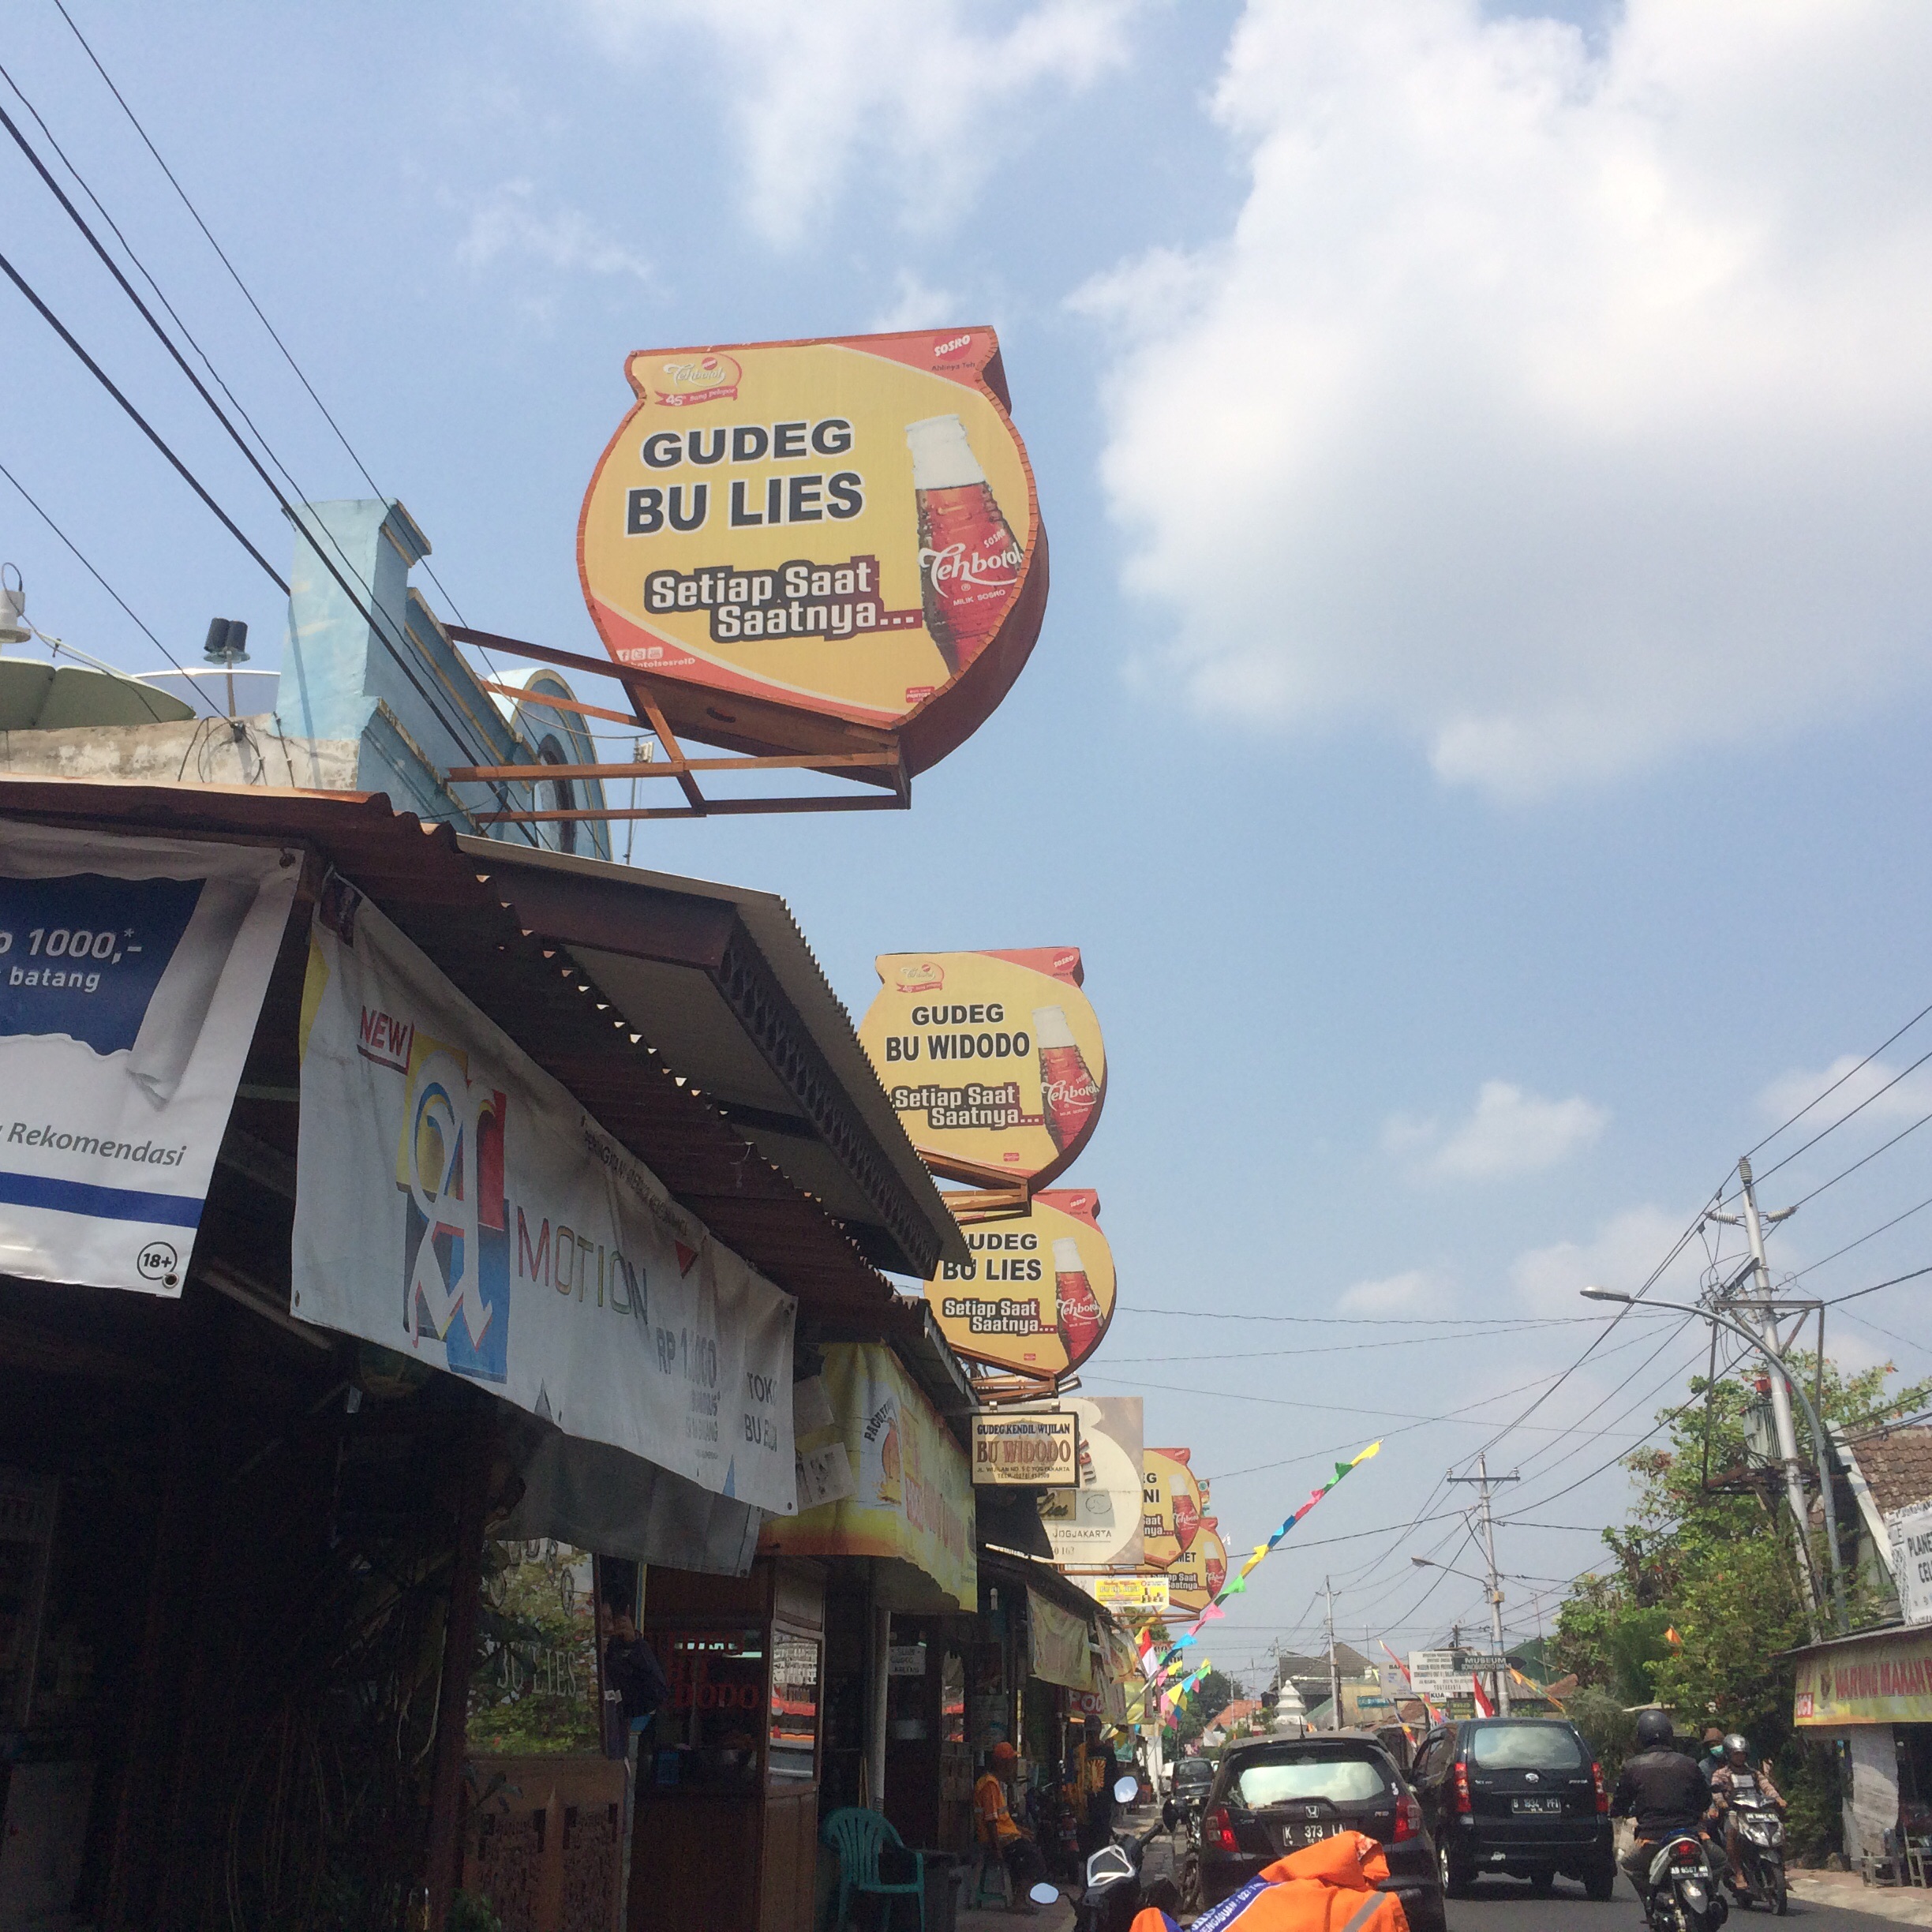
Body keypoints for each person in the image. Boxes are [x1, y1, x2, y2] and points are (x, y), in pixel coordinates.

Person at [1611, 1710, 1720, 1906]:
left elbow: (1620, 1803)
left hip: (1652, 1838)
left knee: (1628, 1864)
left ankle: (1651, 1902)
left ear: (1641, 1737)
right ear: (1670, 1734)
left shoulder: (1632, 1767)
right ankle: (1711, 1896)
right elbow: (1704, 1799)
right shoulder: (1689, 1764)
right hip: (1691, 1834)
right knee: (1719, 1861)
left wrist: (1617, 1811)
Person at [975, 1741, 1047, 1913]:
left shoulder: (996, 1784)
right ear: (1003, 1763)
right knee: (1035, 1859)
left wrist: (1020, 1831)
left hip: (1006, 1837)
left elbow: (1002, 1820)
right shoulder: (989, 1785)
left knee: (1033, 1846)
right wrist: (997, 1849)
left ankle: (1019, 1897)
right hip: (1000, 1840)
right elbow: (991, 1821)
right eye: (1011, 1762)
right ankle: (1019, 1900)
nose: (1014, 1766)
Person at [1709, 1732, 1784, 1885]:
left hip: (1757, 1810)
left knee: (1779, 1829)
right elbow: (1715, 1791)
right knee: (1731, 1832)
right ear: (1729, 1755)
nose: (1740, 1757)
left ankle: (1780, 1869)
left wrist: (1777, 1799)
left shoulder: (1754, 1773)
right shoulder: (1720, 1774)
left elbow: (1766, 1786)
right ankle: (1738, 1872)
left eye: (1742, 1754)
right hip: (1735, 1811)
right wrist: (1721, 1802)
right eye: (1736, 1754)